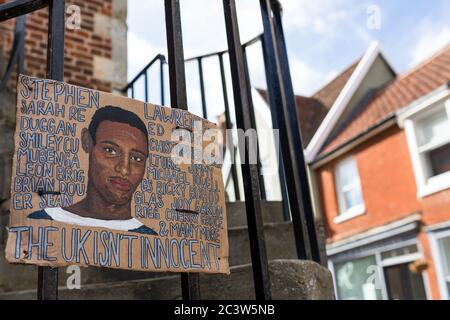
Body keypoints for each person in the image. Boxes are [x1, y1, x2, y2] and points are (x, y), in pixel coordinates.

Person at [28, 106, 157, 235]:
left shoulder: (150, 239)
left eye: (136, 158)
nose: (123, 170)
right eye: (110, 151)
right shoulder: (40, 222)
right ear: (87, 142)